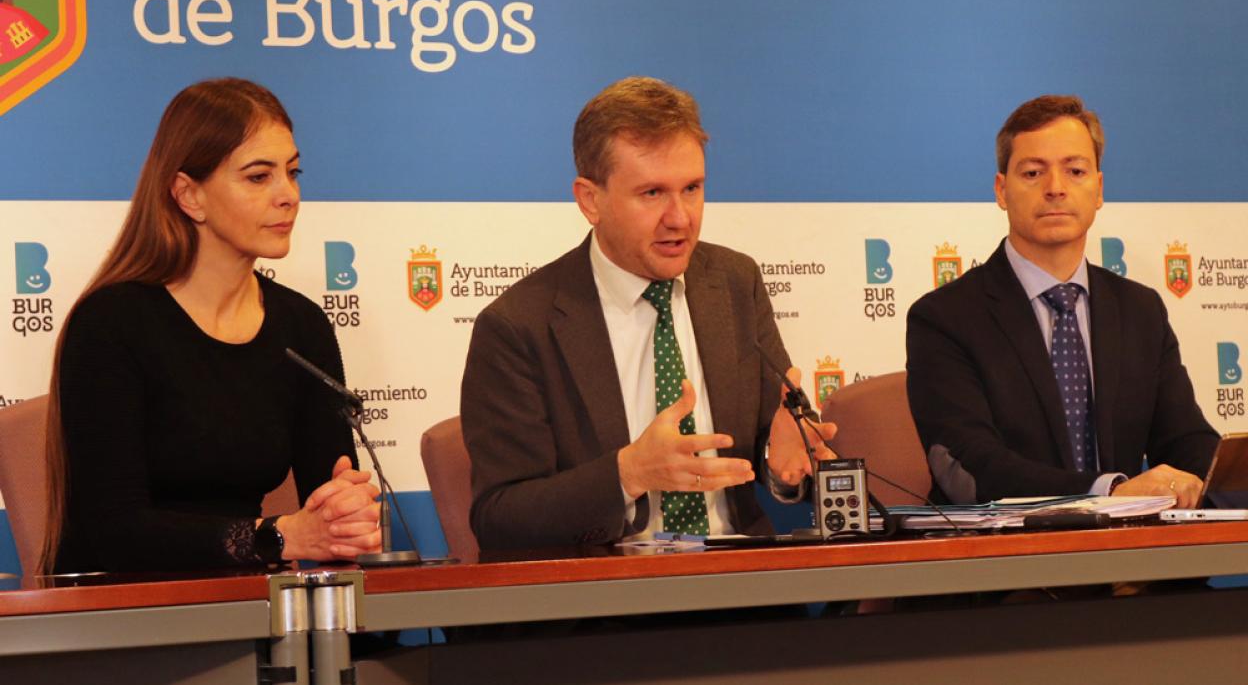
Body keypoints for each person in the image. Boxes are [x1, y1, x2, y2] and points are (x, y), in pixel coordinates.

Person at [460, 76, 836, 550]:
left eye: (693, 188)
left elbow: (770, 450)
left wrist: (784, 461)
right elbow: (500, 518)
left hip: (740, 587)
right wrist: (628, 473)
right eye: (652, 193)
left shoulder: (735, 282)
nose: (680, 217)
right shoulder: (518, 326)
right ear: (590, 200)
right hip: (604, 604)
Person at [42, 78, 381, 574]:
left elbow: (326, 502)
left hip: (251, 610)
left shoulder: (300, 324)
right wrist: (276, 537)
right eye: (258, 177)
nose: (289, 196)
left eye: (293, 172)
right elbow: (111, 529)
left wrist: (346, 517)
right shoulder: (111, 323)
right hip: (124, 619)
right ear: (189, 196)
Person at [906, 95, 1218, 506]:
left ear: (1099, 189)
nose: (1055, 188)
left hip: (1132, 562)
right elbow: (973, 466)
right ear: (1002, 190)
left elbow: (1185, 442)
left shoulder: (1140, 310)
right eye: (1033, 172)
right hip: (1006, 559)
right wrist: (1107, 492)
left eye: (1075, 171)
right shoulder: (944, 318)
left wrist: (1210, 475)